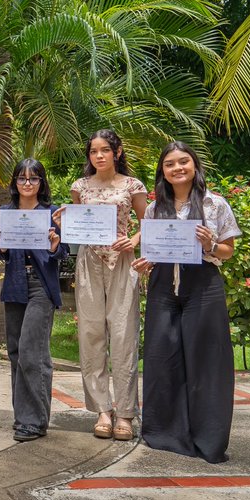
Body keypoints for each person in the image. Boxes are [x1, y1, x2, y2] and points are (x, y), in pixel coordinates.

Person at [133, 141, 240, 463]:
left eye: (183, 162)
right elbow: (153, 251)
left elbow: (228, 251)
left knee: (207, 363)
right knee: (161, 357)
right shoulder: (154, 209)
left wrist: (209, 245)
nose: (177, 168)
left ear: (194, 166)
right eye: (170, 164)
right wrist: (145, 262)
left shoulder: (214, 204)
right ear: (162, 172)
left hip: (203, 286)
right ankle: (165, 432)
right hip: (163, 287)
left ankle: (208, 438)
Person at [55, 129, 147, 442]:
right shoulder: (79, 186)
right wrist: (63, 222)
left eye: (105, 150)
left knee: (123, 336)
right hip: (89, 263)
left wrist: (132, 239)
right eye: (94, 151)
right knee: (91, 335)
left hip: (122, 262)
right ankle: (102, 411)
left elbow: (147, 223)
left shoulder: (133, 185)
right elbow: (79, 224)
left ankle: (124, 413)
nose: (99, 156)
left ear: (117, 152)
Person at [0, 159, 68, 442]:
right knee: (15, 352)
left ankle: (36, 420)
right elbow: (2, 254)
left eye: (34, 179)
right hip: (14, 283)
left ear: (41, 182)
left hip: (41, 286)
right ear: (15, 182)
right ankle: (22, 417)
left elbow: (62, 252)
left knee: (31, 352)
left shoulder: (51, 212)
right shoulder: (6, 212)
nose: (27, 184)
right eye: (22, 179)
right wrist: (0, 247)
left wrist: (54, 245)